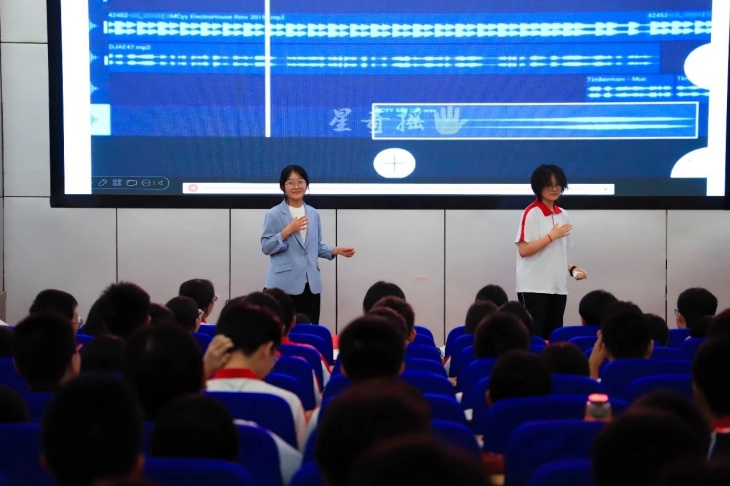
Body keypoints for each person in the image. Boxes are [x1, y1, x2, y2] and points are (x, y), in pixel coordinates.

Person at [261, 165, 355, 324]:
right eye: (290, 182)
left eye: (300, 182)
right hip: (283, 286)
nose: (296, 186)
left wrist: (335, 250)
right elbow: (266, 247)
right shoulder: (274, 214)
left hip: (310, 284)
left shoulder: (313, 213)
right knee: (278, 330)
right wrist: (287, 231)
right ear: (283, 187)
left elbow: (314, 247)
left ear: (306, 184)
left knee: (309, 329)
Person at [515, 164, 587, 339]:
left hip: (558, 287)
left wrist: (573, 269)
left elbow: (559, 253)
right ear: (539, 188)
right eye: (549, 185)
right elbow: (524, 250)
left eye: (558, 185)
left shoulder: (563, 214)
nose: (554, 189)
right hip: (533, 287)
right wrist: (551, 236)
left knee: (554, 336)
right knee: (535, 336)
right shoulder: (531, 213)